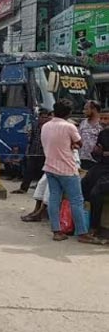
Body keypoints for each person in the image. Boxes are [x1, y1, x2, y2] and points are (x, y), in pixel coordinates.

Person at [41, 99, 99, 243]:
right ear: (69, 113)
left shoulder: (46, 126)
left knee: (54, 198)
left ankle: (57, 231)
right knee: (77, 200)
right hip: (67, 168)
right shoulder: (69, 127)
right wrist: (71, 144)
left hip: (49, 166)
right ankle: (82, 233)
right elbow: (80, 143)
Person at [82, 110, 109, 235]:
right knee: (84, 183)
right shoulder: (103, 133)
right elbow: (97, 152)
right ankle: (83, 221)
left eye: (107, 119)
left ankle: (94, 226)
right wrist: (97, 151)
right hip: (102, 166)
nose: (104, 121)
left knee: (96, 192)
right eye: (102, 118)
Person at [14, 109, 50, 194]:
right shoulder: (34, 125)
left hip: (44, 153)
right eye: (42, 117)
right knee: (29, 171)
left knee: (43, 173)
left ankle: (41, 192)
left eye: (46, 117)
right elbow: (31, 139)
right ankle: (23, 188)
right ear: (39, 117)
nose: (44, 119)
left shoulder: (49, 127)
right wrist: (28, 150)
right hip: (34, 152)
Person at [78, 100, 102, 170]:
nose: (83, 111)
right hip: (83, 160)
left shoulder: (102, 124)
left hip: (98, 161)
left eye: (86, 109)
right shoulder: (83, 123)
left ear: (94, 109)